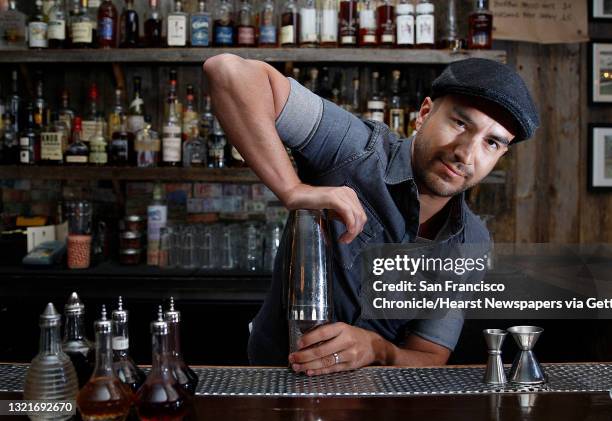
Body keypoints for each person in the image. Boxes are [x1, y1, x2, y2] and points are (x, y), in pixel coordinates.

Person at [203, 55, 539, 376]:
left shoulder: (472, 240)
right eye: (460, 122)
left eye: (491, 143)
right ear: (423, 114)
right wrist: (292, 190)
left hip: (372, 399)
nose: (466, 153)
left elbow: (430, 355)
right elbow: (228, 72)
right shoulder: (354, 148)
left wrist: (379, 350)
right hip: (273, 381)